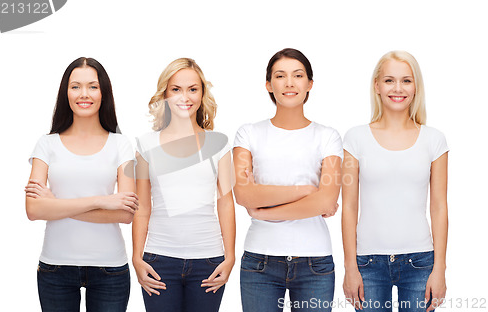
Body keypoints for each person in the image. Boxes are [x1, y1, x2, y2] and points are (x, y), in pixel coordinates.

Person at [233, 48, 342, 312]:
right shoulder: (248, 133)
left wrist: (264, 211)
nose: (289, 83)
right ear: (269, 85)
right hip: (260, 261)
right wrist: (306, 191)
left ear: (310, 84)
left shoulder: (328, 136)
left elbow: (327, 199)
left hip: (314, 262)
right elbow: (244, 195)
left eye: (298, 75)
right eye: (280, 76)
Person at [25, 57, 137, 312]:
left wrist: (55, 204)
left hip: (109, 268)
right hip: (55, 268)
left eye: (92, 86)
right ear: (66, 92)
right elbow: (33, 210)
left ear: (103, 92)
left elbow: (125, 213)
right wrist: (101, 201)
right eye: (75, 86)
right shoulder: (47, 144)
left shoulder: (121, 145)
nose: (83, 94)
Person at [342, 51, 449, 312]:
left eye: (406, 81)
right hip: (367, 263)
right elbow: (348, 208)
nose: (398, 88)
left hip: (420, 262)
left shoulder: (434, 140)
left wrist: (440, 269)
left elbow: (439, 207)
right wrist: (350, 268)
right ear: (377, 86)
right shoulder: (355, 139)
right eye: (389, 80)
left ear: (416, 87)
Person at [133, 58, 236, 312]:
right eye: (176, 89)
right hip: (159, 260)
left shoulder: (219, 144)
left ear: (202, 93)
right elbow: (142, 206)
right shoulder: (146, 145)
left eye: (193, 89)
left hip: (209, 261)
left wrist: (230, 257)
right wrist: (137, 257)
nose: (185, 97)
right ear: (165, 94)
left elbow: (225, 202)